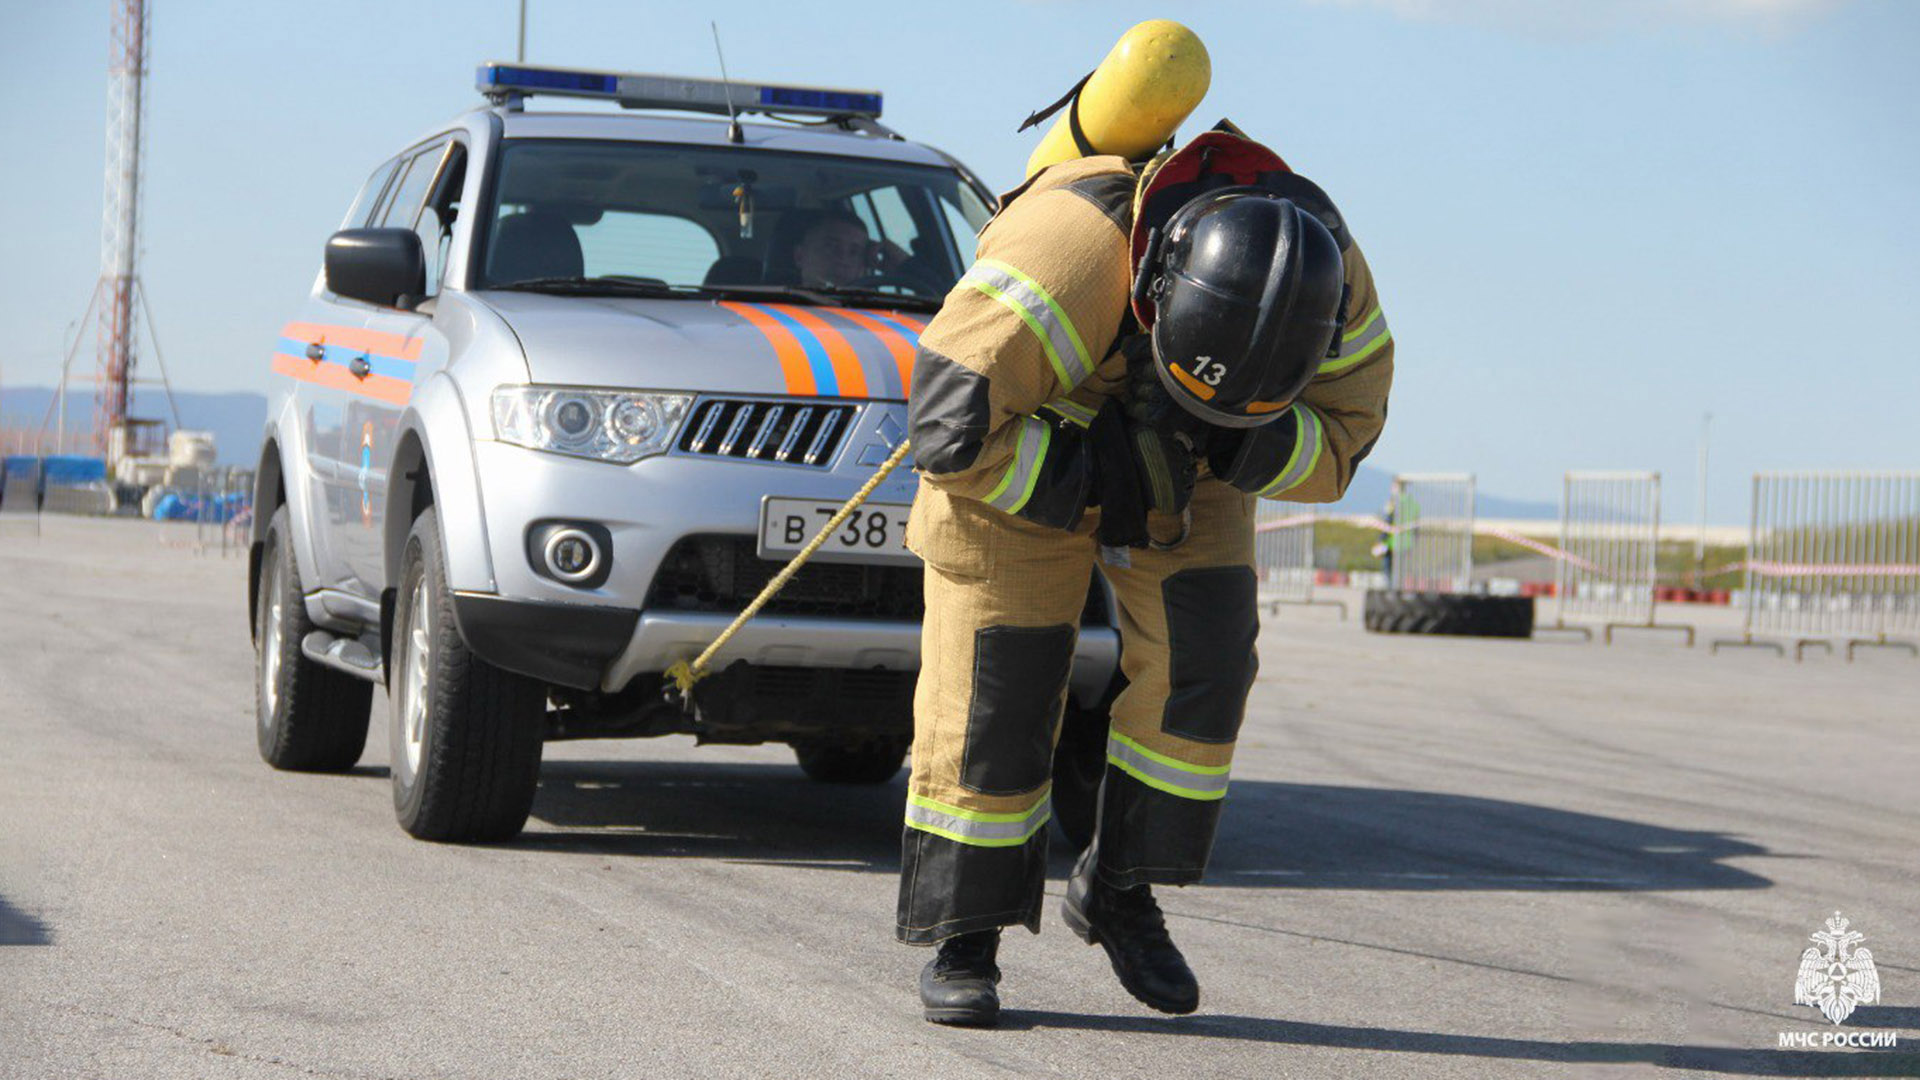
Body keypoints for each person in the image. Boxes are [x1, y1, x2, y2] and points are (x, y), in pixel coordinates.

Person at [896, 120, 1394, 1027]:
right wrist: (1097, 476)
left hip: (1207, 453)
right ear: (1157, 290)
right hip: (1025, 437)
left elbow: (1343, 440)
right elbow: (946, 427)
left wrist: (1231, 440)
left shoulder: (1332, 283)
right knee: (997, 691)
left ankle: (1120, 888)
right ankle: (966, 936)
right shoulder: (1070, 254)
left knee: (1204, 667)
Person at [788, 209, 908, 289]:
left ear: (865, 262)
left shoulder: (884, 312)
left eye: (854, 252)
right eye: (831, 246)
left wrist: (907, 267)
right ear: (799, 256)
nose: (843, 256)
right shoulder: (774, 311)